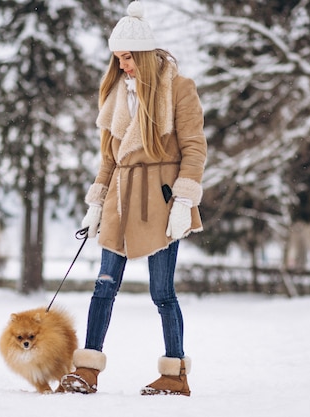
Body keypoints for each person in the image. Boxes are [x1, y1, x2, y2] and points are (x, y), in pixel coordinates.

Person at [60, 1, 206, 397]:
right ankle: (86, 370)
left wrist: (182, 201)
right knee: (103, 285)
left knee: (162, 292)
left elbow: (194, 150)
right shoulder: (113, 96)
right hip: (119, 201)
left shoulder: (178, 88)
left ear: (143, 53)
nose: (123, 65)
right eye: (118, 58)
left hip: (161, 202)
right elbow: (109, 159)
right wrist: (96, 203)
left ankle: (175, 375)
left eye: (128, 57)